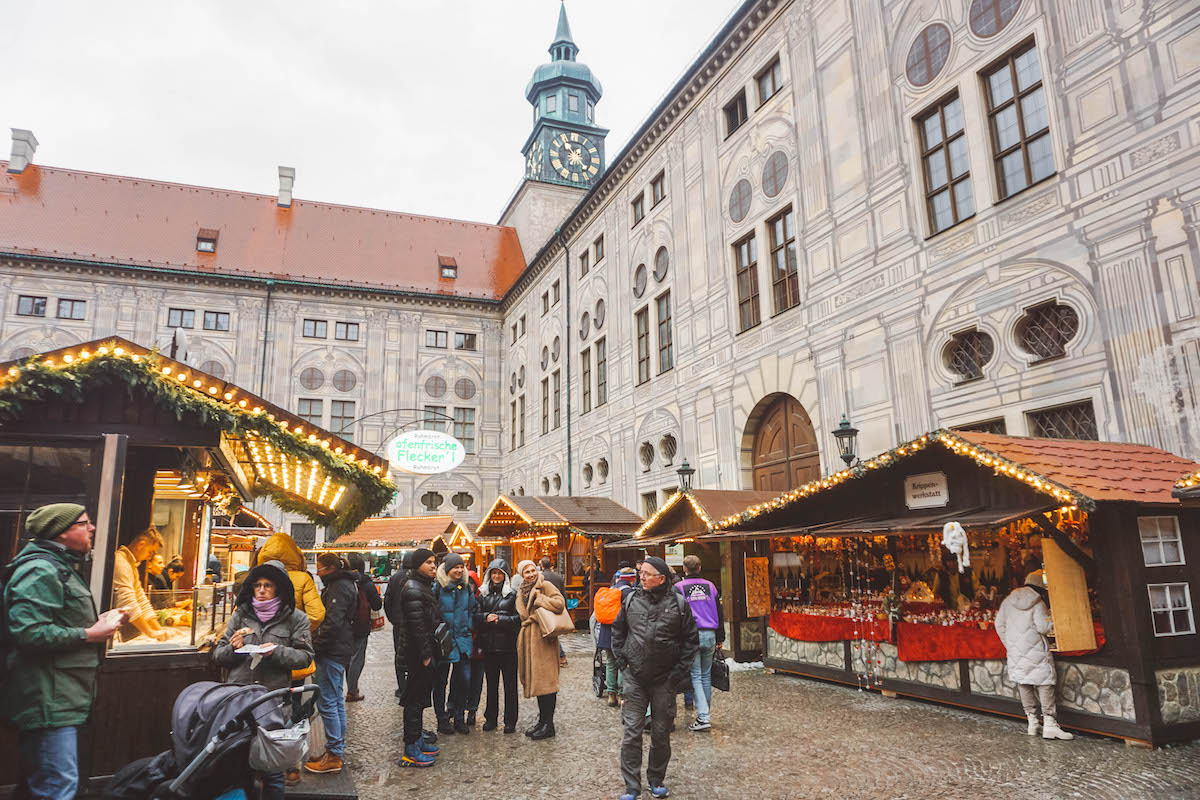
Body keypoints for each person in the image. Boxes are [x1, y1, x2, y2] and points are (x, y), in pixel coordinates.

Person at [0, 504, 127, 800]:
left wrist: (100, 623)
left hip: (59, 698)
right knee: (57, 786)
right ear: (62, 532)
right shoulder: (40, 569)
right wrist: (90, 633)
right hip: (47, 701)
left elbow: (53, 623)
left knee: (43, 784)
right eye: (85, 523)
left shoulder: (58, 566)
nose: (92, 528)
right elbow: (29, 633)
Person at [214, 562, 314, 799]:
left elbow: (305, 657)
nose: (261, 590)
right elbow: (219, 656)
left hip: (274, 702)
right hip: (240, 700)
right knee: (238, 764)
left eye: (267, 585)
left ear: (278, 589)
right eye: (258, 585)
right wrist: (232, 647)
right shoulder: (241, 615)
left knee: (272, 768)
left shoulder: (296, 619)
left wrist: (276, 651)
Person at [612, 556, 699, 800]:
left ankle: (656, 778)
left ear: (661, 578)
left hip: (664, 680)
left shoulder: (679, 604)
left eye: (648, 573)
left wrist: (676, 675)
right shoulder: (630, 600)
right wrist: (623, 663)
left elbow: (690, 641)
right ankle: (631, 786)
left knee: (661, 732)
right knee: (632, 732)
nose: (642, 576)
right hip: (635, 678)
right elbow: (618, 632)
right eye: (642, 572)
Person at [995, 570, 1074, 741]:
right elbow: (1043, 628)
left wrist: (1010, 644)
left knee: (1024, 682)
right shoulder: (1038, 603)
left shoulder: (1008, 601)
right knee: (1044, 682)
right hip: (1037, 649)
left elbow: (998, 624)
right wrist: (1054, 620)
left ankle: (1032, 721)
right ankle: (1050, 724)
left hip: (1016, 651)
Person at [304, 554, 357, 774]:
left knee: (329, 701)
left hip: (332, 650)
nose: (318, 573)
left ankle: (335, 753)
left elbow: (332, 622)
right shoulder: (345, 583)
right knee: (335, 700)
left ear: (332, 568)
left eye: (321, 569)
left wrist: (315, 646)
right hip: (339, 648)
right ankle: (336, 749)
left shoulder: (338, 587)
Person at [396, 548, 441, 768]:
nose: (433, 566)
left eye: (434, 562)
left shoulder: (422, 585)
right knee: (413, 702)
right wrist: (425, 655)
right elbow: (418, 627)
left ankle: (417, 740)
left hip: (422, 651)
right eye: (429, 562)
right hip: (417, 655)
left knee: (420, 700)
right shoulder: (413, 588)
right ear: (417, 565)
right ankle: (411, 749)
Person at [515, 559, 566, 740]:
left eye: (532, 570)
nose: (531, 574)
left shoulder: (545, 585)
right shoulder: (522, 590)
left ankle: (548, 724)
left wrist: (540, 599)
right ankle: (542, 721)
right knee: (538, 682)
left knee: (548, 683)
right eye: (526, 572)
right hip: (530, 639)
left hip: (544, 639)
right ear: (522, 575)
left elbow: (560, 603)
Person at [674, 555, 725, 732]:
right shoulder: (710, 586)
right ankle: (705, 714)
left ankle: (703, 717)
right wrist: (720, 637)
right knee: (706, 675)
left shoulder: (679, 587)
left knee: (695, 676)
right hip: (710, 634)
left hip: (691, 635)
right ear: (700, 567)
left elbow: (676, 614)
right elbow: (719, 611)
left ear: (684, 568)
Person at [473, 559, 520, 733]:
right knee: (491, 685)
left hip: (508, 647)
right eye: (494, 573)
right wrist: (485, 617)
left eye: (500, 573)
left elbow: (518, 619)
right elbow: (475, 617)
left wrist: (501, 619)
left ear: (505, 576)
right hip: (489, 646)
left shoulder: (512, 595)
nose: (497, 576)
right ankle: (490, 718)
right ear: (489, 575)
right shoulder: (482, 594)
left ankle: (510, 720)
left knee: (510, 686)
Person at [433, 553, 475, 735]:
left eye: (461, 566)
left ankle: (459, 717)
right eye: (455, 567)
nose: (459, 570)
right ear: (447, 570)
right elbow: (433, 613)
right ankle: (442, 719)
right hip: (445, 642)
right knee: (441, 682)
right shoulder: (437, 588)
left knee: (463, 681)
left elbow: (473, 609)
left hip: (463, 640)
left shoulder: (466, 588)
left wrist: (469, 626)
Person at [257, 531, 326, 633]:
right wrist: (296, 632)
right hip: (291, 642)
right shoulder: (303, 579)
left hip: (261, 640)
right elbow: (317, 616)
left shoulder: (256, 578)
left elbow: (240, 613)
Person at [113, 527, 169, 642]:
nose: (150, 556)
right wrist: (151, 632)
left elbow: (140, 599)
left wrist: (159, 630)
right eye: (150, 552)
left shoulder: (131, 564)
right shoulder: (120, 562)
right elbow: (128, 603)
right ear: (140, 544)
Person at [597, 563, 637, 707]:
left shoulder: (610, 589)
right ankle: (621, 694)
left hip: (606, 632)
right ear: (632, 579)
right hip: (621, 632)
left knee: (610, 662)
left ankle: (611, 694)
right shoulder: (629, 593)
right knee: (623, 662)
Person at [344, 553, 382, 703]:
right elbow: (377, 604)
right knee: (357, 658)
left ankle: (349, 687)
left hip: (345, 624)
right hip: (361, 624)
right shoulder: (366, 582)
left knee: (346, 658)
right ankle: (352, 690)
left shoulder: (342, 581)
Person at [539, 556, 568, 667]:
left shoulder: (540, 577)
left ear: (541, 565)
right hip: (557, 606)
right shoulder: (558, 577)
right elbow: (563, 592)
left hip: (545, 607)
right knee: (551, 632)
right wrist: (565, 607)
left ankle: (561, 656)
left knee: (549, 632)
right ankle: (557, 656)